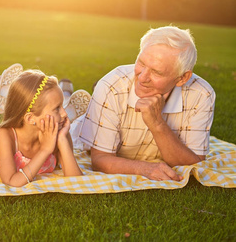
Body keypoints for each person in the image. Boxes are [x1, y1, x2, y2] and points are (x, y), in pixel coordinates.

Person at [79, 26, 216, 181]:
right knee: (67, 120)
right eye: (141, 63)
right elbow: (99, 160)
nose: (143, 77)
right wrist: (144, 169)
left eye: (156, 72)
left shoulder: (201, 94)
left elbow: (194, 164)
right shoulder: (111, 86)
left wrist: (157, 123)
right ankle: (69, 96)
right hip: (77, 128)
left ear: (182, 78)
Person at [0, 68, 87, 187]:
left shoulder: (58, 132)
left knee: (62, 120)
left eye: (62, 107)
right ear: (30, 118)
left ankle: (64, 97)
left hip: (34, 123)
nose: (64, 114)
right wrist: (45, 150)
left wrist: (62, 138)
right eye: (57, 108)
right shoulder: (4, 135)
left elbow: (76, 181)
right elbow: (11, 181)